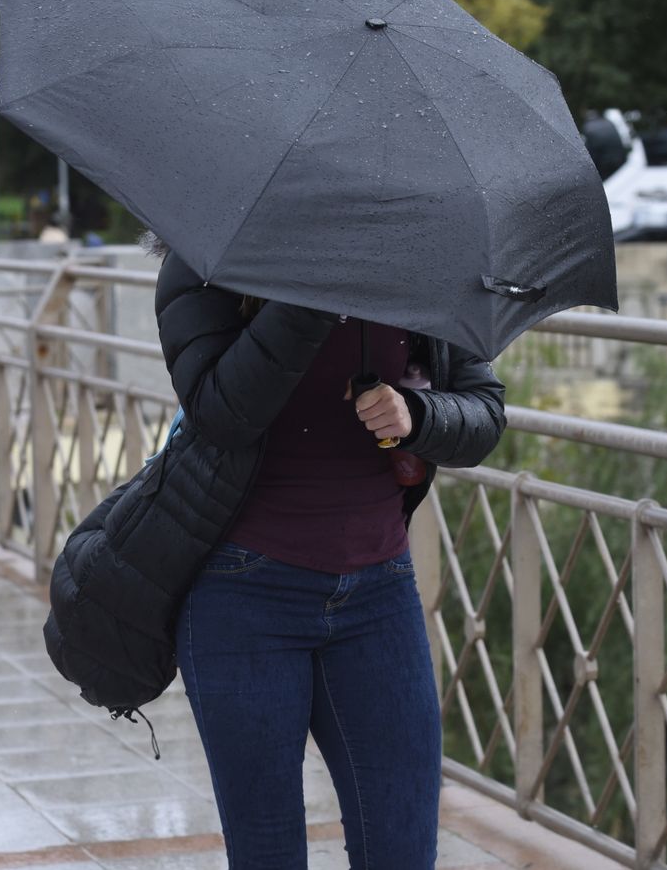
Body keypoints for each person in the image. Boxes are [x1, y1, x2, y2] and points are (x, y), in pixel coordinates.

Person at [149, 234, 506, 868]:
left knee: (401, 848)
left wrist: (417, 414)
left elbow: (484, 410)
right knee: (267, 852)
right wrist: (312, 289)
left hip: (380, 589)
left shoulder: (417, 259)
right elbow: (220, 412)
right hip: (243, 589)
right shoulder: (207, 256)